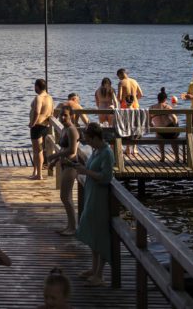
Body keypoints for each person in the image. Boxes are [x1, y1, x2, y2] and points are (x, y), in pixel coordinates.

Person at [74, 122, 114, 287]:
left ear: (95, 137)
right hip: (91, 194)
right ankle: (93, 268)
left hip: (100, 198)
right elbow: (92, 170)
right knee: (90, 229)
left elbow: (106, 177)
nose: (86, 142)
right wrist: (82, 167)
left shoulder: (106, 153)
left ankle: (100, 274)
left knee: (100, 234)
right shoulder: (96, 150)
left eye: (88, 139)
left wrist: (85, 171)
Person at [46, 105, 80, 235]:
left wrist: (54, 156)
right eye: (61, 115)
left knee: (65, 197)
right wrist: (54, 162)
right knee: (66, 197)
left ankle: (73, 227)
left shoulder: (72, 130)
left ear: (71, 115)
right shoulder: (65, 129)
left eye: (65, 115)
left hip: (71, 165)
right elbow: (63, 149)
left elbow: (72, 150)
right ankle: (70, 226)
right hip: (64, 164)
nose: (63, 117)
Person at [29, 78, 54, 180]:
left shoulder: (38, 97)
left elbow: (37, 111)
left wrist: (32, 123)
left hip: (37, 126)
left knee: (37, 151)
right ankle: (35, 171)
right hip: (45, 126)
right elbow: (52, 112)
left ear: (37, 87)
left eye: (35, 86)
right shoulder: (50, 97)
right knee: (39, 150)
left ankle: (39, 175)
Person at [150, 88, 180, 163]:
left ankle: (162, 157)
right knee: (174, 138)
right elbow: (175, 119)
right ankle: (177, 157)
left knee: (158, 134)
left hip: (160, 132)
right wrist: (176, 126)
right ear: (165, 99)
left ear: (158, 99)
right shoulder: (167, 107)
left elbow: (149, 122)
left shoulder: (152, 107)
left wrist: (154, 127)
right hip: (170, 131)